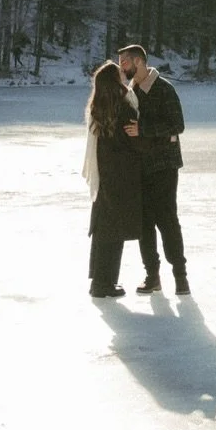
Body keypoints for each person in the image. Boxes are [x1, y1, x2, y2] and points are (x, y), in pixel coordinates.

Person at [117, 43, 189, 296]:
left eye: (124, 62)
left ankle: (181, 277)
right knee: (144, 223)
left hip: (164, 166)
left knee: (167, 220)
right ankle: (152, 276)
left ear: (138, 61)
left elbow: (177, 125)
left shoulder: (164, 89)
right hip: (141, 166)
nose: (121, 67)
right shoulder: (129, 91)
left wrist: (144, 129)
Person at [83, 60, 143, 299]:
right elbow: (132, 142)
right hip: (122, 175)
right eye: (120, 74)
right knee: (114, 231)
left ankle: (99, 280)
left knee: (103, 230)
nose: (124, 75)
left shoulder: (97, 108)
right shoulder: (124, 106)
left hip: (104, 173)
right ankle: (105, 283)